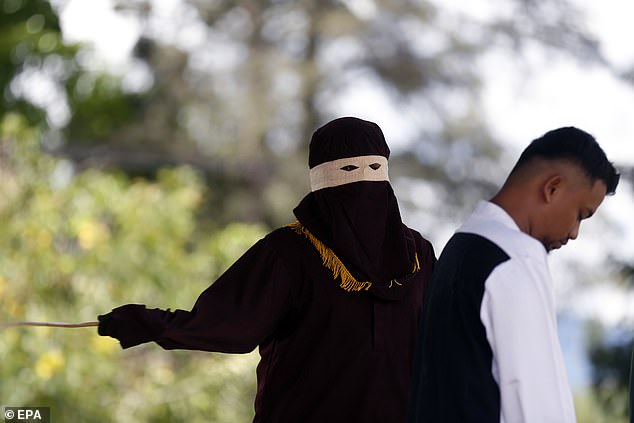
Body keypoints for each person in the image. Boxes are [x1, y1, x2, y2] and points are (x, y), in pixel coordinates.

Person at [97, 116, 436, 422]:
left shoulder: (418, 255)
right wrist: (144, 322)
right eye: (348, 172)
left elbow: (441, 348)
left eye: (373, 170)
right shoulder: (289, 253)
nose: (363, 190)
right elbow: (226, 324)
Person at [407, 126, 619, 423]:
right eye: (580, 214)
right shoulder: (515, 258)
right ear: (552, 188)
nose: (574, 233)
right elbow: (537, 406)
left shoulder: (458, 247)